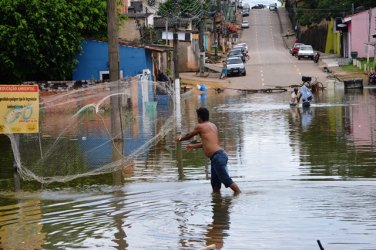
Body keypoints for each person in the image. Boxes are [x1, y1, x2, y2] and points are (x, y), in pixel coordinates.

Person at [176, 107, 241, 194]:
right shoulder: (213, 126)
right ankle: (217, 203)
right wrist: (193, 146)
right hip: (218, 156)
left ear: (199, 117)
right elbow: (208, 144)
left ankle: (240, 195)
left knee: (226, 180)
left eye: (197, 117)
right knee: (215, 185)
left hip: (218, 158)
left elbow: (189, 135)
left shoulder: (200, 126)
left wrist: (180, 138)